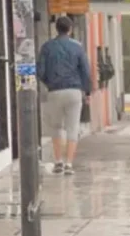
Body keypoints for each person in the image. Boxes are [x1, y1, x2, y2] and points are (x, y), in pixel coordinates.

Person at [37, 16, 92, 175]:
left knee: (56, 127)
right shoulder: (78, 47)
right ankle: (69, 164)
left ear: (56, 28)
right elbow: (86, 72)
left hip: (55, 91)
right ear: (70, 29)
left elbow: (40, 71)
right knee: (72, 128)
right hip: (74, 91)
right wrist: (86, 91)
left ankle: (58, 161)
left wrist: (49, 83)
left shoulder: (47, 47)